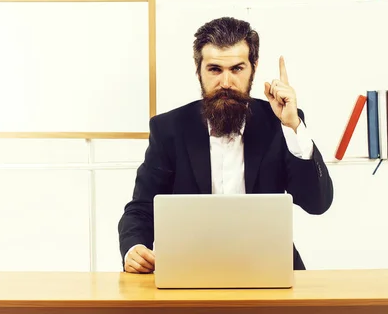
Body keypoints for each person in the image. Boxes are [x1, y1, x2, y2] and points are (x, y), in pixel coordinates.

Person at [117, 16, 334, 274]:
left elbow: (317, 203)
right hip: (190, 271)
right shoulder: (169, 129)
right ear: (199, 70)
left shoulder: (280, 122)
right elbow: (141, 209)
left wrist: (293, 126)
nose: (226, 83)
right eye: (215, 70)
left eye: (237, 69)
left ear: (253, 67)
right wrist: (134, 248)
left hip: (271, 270)